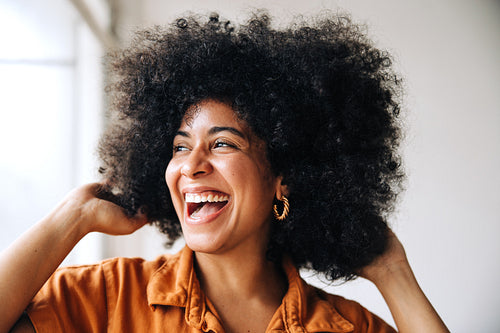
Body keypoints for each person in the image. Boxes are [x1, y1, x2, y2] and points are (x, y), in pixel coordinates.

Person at [0, 11, 449, 333]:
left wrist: (393, 271)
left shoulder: (348, 327)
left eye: (222, 143)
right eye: (180, 146)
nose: (191, 166)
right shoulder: (103, 300)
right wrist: (72, 217)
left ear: (283, 176)